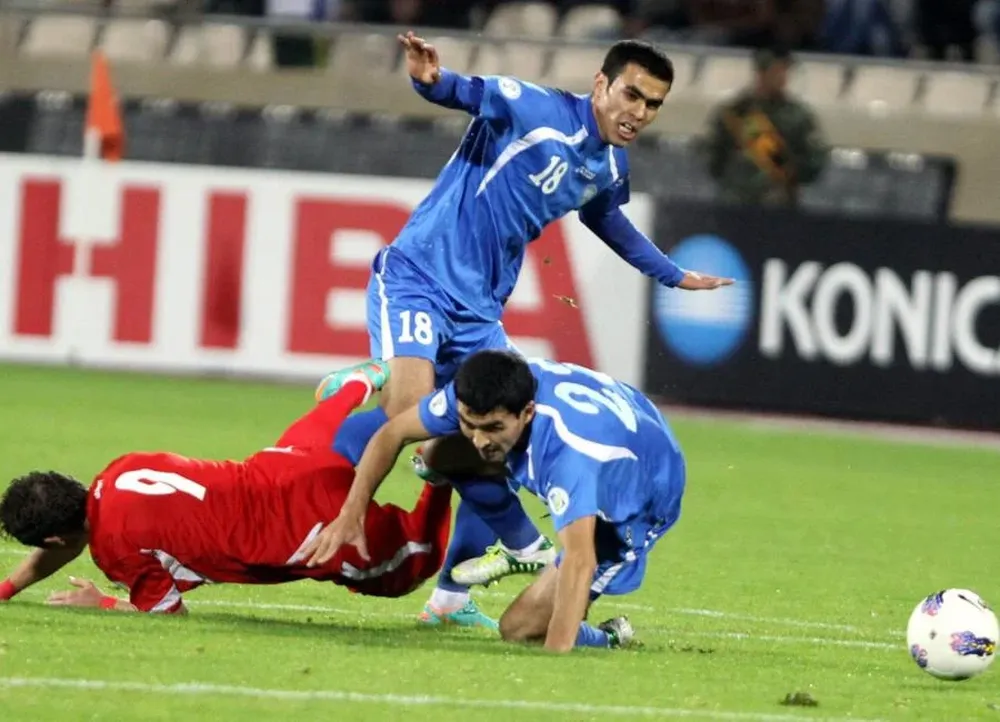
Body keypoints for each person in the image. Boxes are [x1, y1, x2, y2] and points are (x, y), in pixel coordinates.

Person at [326, 31, 732, 629]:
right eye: (632, 95)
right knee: (412, 413)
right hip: (419, 277)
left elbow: (607, 220)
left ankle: (450, 599)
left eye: (653, 104)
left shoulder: (609, 164)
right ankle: (520, 540)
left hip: (480, 313)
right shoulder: (539, 111)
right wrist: (429, 79)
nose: (640, 113)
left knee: (503, 433)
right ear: (601, 84)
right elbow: (465, 92)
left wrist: (671, 275)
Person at [307, 350, 687, 652]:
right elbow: (392, 433)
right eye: (470, 424)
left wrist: (557, 658)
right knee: (437, 451)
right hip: (626, 418)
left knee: (518, 629)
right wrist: (350, 514)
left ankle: (608, 638)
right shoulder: (481, 389)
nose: (480, 439)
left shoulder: (570, 461)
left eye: (493, 429)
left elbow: (579, 559)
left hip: (644, 491)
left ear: (527, 412)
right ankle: (523, 545)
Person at [0, 368, 457, 613]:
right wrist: (7, 588)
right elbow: (71, 534)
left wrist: (102, 601)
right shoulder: (120, 468)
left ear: (56, 537)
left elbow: (164, 612)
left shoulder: (114, 549)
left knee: (414, 562)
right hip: (290, 463)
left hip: (305, 530)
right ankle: (359, 386)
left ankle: (442, 468)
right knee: (389, 421)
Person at [704, 44, 828, 207]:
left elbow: (814, 160)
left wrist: (790, 174)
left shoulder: (798, 116)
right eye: (777, 71)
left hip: (779, 204)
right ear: (761, 73)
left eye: (785, 71)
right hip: (735, 201)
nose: (783, 77)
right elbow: (713, 157)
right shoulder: (736, 112)